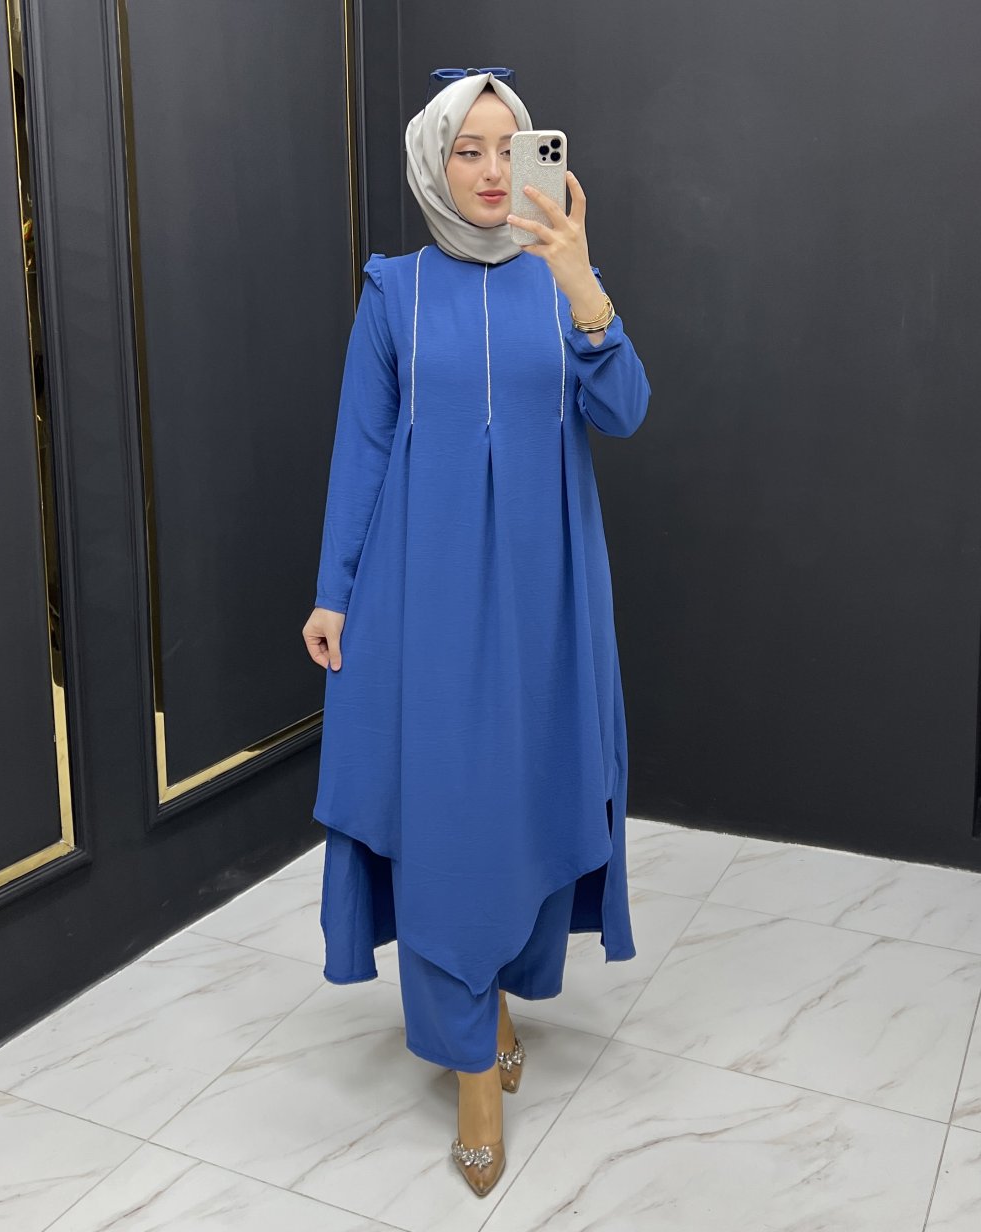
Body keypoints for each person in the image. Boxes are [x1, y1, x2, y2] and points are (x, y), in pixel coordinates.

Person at [301, 69, 650, 1197]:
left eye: (512, 147)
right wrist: (333, 593)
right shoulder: (393, 292)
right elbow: (361, 451)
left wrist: (583, 281)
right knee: (447, 818)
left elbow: (624, 409)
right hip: (426, 600)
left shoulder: (560, 278)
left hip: (548, 602)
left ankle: (495, 997)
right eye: (470, 149)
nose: (496, 171)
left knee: (528, 800)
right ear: (432, 162)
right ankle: (471, 1072)